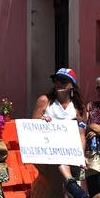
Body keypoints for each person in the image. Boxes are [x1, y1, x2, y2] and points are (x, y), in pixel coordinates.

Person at [32, 68, 88, 198]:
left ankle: (70, 182)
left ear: (72, 85)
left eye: (63, 81)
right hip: (47, 150)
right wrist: (42, 121)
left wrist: (80, 155)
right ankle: (70, 182)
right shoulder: (45, 101)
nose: (58, 83)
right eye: (55, 80)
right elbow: (32, 127)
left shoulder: (79, 107)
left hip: (69, 151)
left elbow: (81, 134)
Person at [86, 77, 100, 198]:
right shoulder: (91, 106)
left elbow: (94, 127)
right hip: (92, 156)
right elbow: (82, 127)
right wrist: (91, 127)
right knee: (94, 192)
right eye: (99, 88)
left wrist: (96, 128)